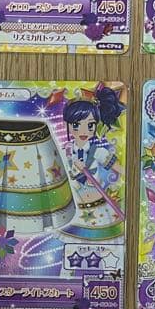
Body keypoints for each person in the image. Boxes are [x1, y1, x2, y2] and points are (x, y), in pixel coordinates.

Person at [60, 84, 125, 240]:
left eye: (90, 125)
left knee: (101, 238)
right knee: (75, 239)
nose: (83, 131)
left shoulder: (97, 151)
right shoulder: (65, 151)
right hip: (74, 205)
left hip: (96, 204)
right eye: (76, 125)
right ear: (66, 124)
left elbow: (119, 169)